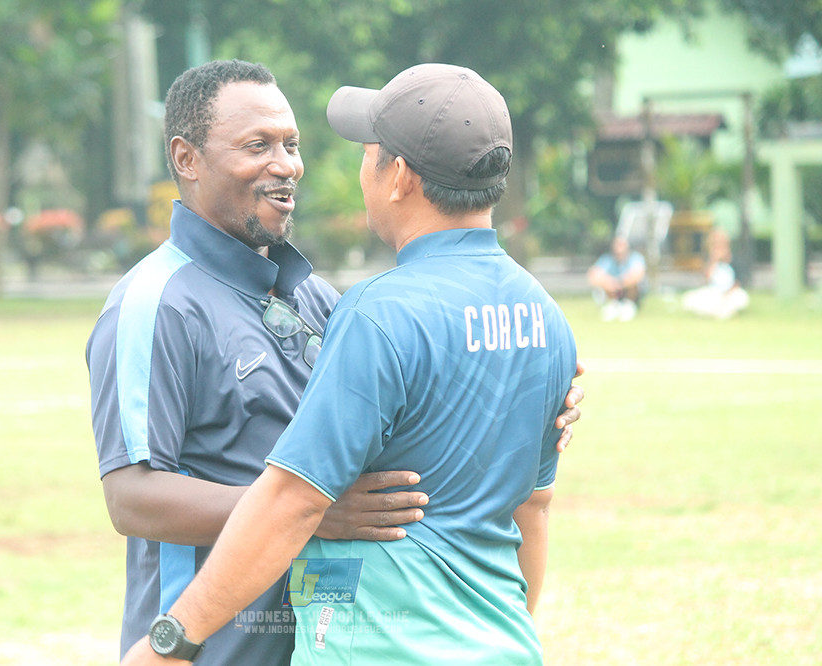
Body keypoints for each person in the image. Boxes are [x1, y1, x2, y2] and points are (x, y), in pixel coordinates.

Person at [121, 63, 578, 665]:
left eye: (369, 152)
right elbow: (532, 508)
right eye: (259, 145)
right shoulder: (545, 316)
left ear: (399, 179)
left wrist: (170, 645)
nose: (291, 164)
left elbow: (294, 502)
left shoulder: (374, 312)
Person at [681, 227, 749, 318]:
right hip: (714, 292)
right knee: (690, 298)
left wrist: (727, 294)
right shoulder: (709, 260)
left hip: (730, 293)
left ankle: (723, 310)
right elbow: (706, 280)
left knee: (740, 298)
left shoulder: (735, 259)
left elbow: (738, 282)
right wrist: (714, 261)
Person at [587, 235, 647, 321]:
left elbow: (638, 273)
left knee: (633, 283)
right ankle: (614, 305)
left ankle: (628, 305)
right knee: (604, 281)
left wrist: (620, 282)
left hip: (631, 291)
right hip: (613, 291)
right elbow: (593, 275)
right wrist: (610, 282)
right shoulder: (607, 259)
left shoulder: (635, 258)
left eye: (621, 244)